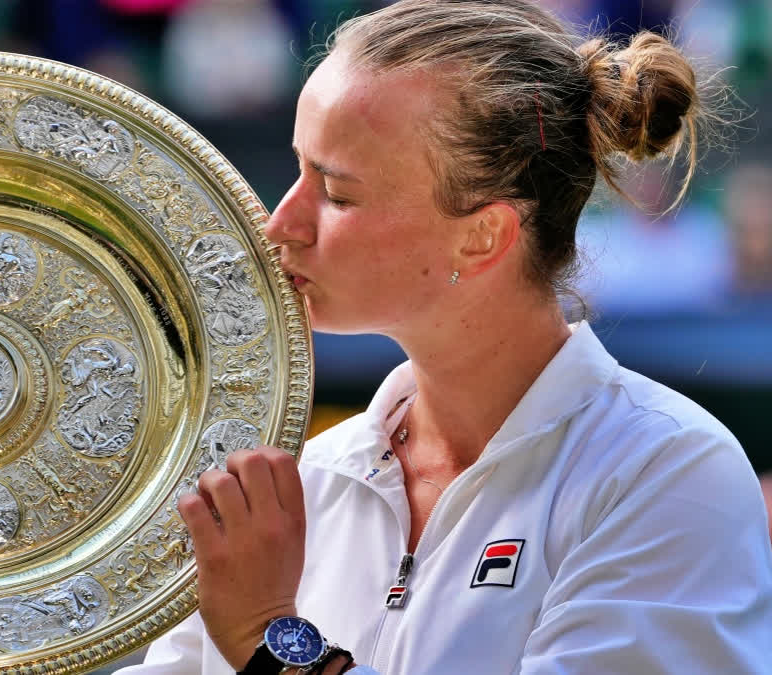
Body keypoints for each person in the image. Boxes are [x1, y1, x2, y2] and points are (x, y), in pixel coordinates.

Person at [119, 1, 772, 673]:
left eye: (337, 193)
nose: (281, 222)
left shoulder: (668, 473)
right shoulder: (304, 478)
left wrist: (269, 641)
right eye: (298, 170)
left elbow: (259, 639)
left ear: (483, 234)